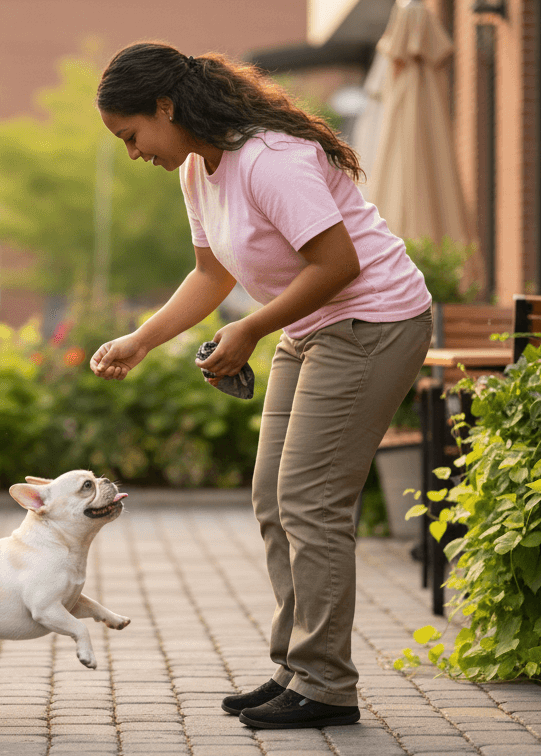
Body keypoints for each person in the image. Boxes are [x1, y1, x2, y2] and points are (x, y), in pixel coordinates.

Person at [90, 41, 432, 730]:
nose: (132, 153)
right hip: (312, 325)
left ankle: (327, 685)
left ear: (166, 107)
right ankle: (296, 669)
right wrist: (142, 340)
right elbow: (211, 274)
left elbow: (337, 264)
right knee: (274, 496)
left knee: (311, 501)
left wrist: (250, 330)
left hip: (374, 320)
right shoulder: (198, 169)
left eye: (131, 135)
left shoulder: (271, 159)